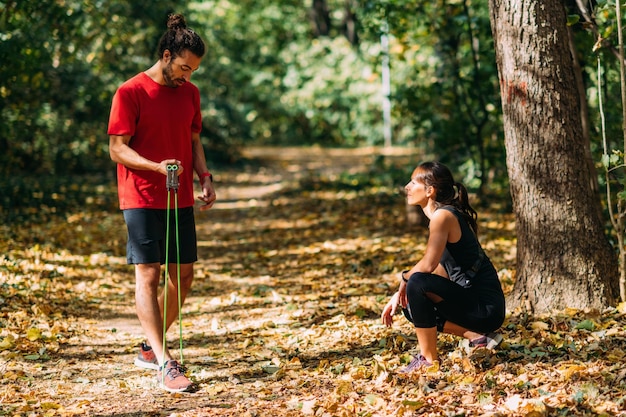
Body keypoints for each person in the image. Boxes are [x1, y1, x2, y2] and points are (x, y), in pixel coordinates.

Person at [107, 13, 216, 393]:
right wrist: (155, 166)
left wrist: (205, 176)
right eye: (184, 67)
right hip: (140, 196)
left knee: (183, 277)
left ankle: (151, 348)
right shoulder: (130, 92)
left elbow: (194, 138)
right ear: (167, 55)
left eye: (194, 70)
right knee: (149, 275)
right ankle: (164, 359)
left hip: (180, 195)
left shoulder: (190, 92)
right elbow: (117, 149)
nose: (188, 76)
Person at [381, 162, 505, 373]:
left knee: (416, 283)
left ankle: (429, 360)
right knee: (412, 302)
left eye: (413, 182)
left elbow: (427, 265)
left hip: (485, 307)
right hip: (473, 304)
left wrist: (404, 279)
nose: (407, 187)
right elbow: (439, 269)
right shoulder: (443, 216)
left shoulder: (443, 217)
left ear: (430, 191)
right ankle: (477, 337)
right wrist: (400, 293)